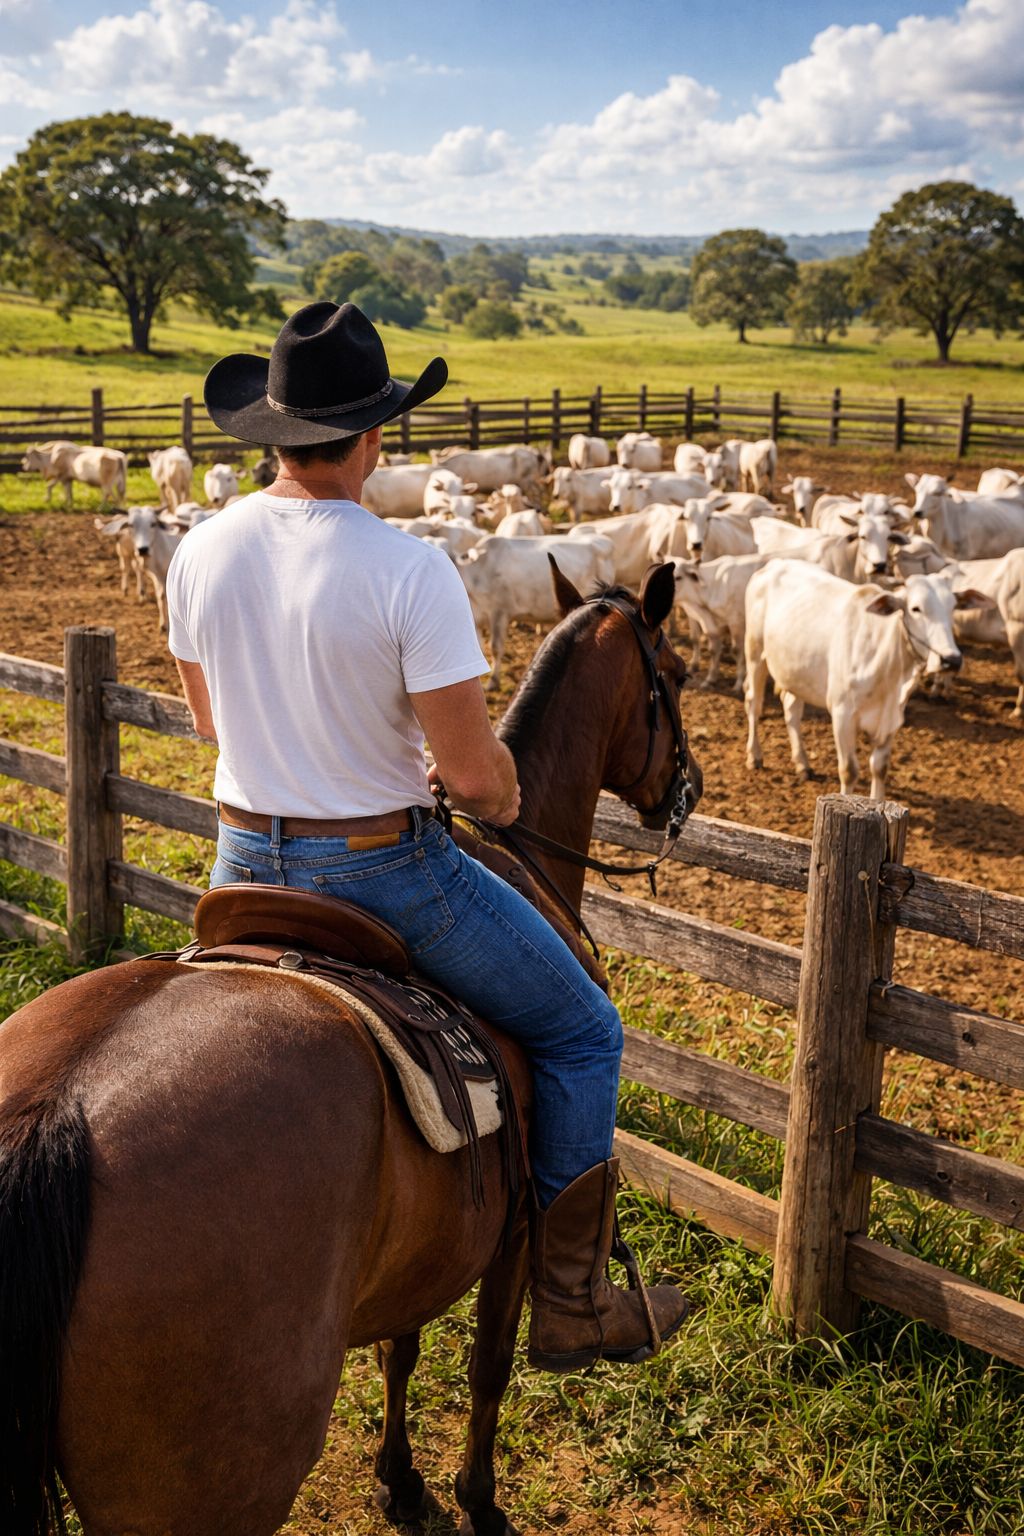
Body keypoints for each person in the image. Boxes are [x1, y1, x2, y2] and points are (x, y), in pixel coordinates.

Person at [165, 300, 688, 1372]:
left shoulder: (198, 550)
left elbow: (210, 721)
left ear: (271, 431)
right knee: (586, 1029)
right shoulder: (408, 572)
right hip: (383, 871)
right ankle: (574, 1300)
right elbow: (473, 775)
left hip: (237, 864)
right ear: (373, 438)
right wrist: (497, 800)